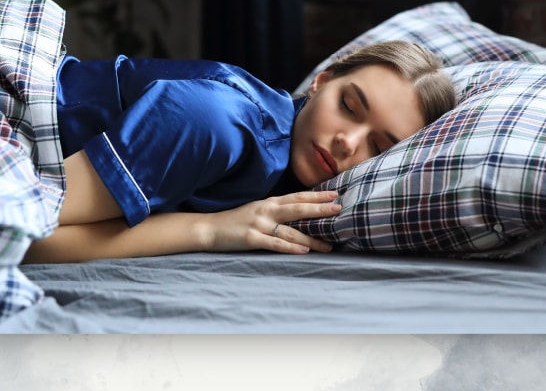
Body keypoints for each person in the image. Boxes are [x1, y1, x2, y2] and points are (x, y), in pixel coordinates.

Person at [24, 40, 456, 264]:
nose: (348, 140)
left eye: (378, 147)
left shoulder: (283, 176)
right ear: (321, 82)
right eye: (348, 105)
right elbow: (17, 231)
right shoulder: (217, 124)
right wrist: (207, 231)